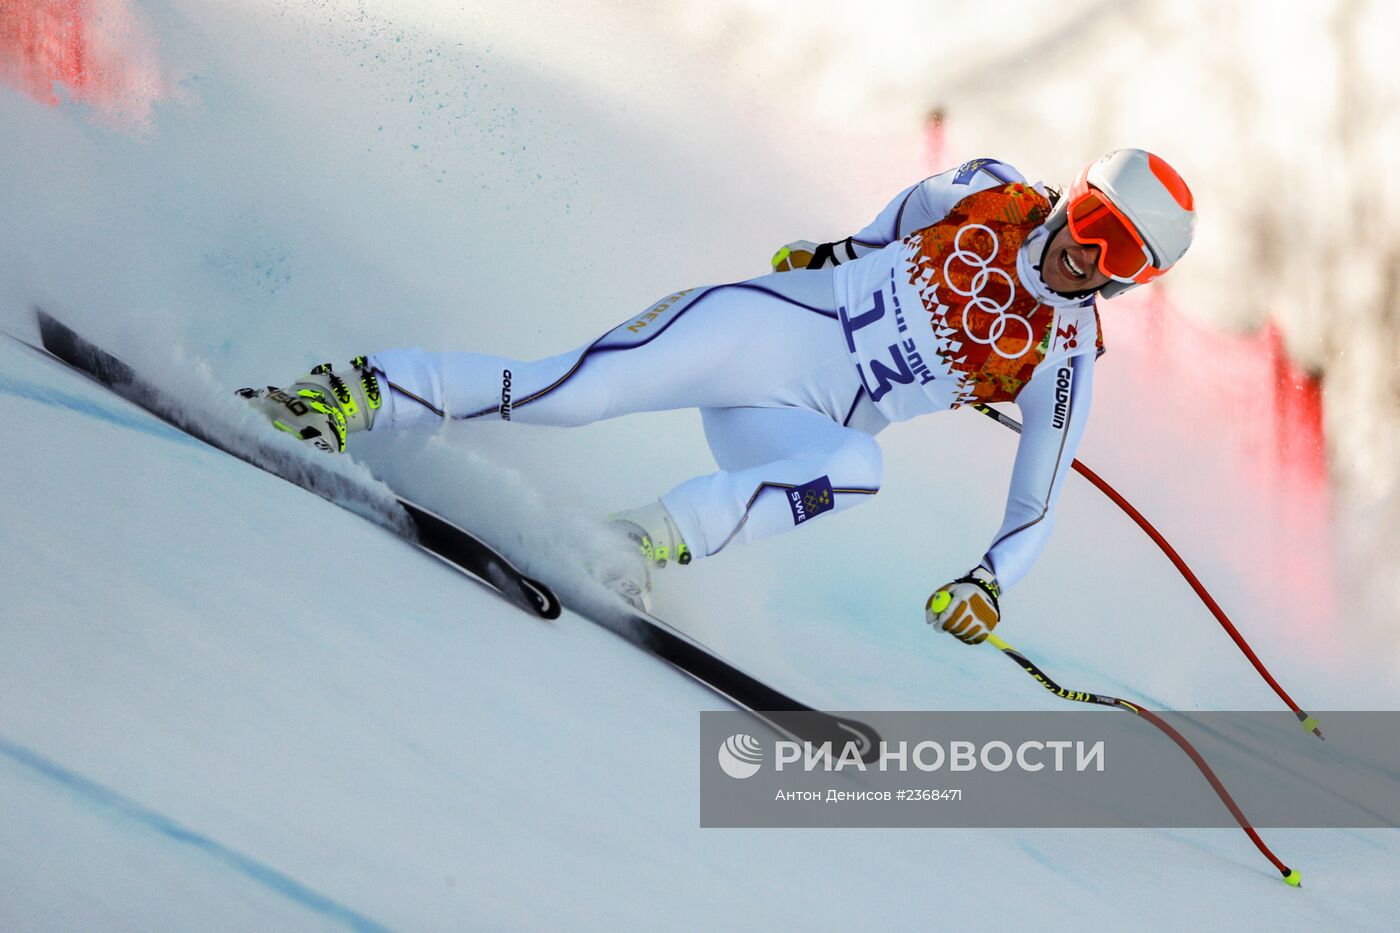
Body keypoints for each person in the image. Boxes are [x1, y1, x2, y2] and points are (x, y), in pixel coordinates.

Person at [240, 148, 1195, 637]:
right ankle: (341, 395)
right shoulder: (990, 186)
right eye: (1093, 219)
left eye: (1117, 253)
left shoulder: (1063, 359)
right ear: (1074, 194)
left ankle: (627, 545)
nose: (1085, 250)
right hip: (754, 331)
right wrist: (831, 257)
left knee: (857, 471)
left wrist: (989, 581)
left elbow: (1037, 502)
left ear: (1132, 281)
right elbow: (885, 226)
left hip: (790, 423)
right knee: (564, 395)